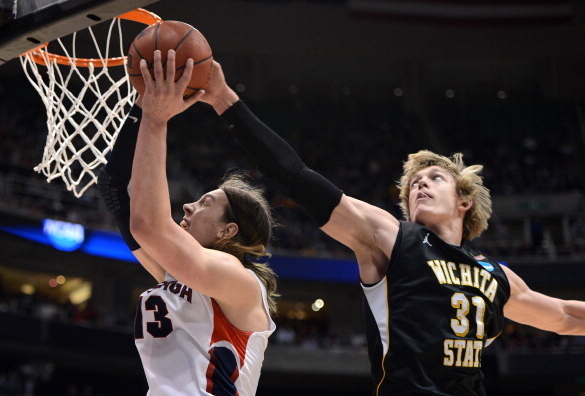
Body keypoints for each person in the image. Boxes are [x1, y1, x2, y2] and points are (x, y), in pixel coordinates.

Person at [197, 60, 585, 396]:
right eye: (415, 182)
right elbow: (297, 177)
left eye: (435, 178)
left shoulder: (496, 275)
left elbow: (565, 316)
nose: (420, 183)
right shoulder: (395, 239)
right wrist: (224, 100)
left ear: (464, 201)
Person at [97, 50, 277, 396]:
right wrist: (144, 103)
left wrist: (157, 117)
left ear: (228, 231)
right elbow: (115, 186)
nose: (188, 206)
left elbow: (148, 224)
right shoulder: (177, 272)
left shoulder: (239, 279)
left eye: (205, 203)